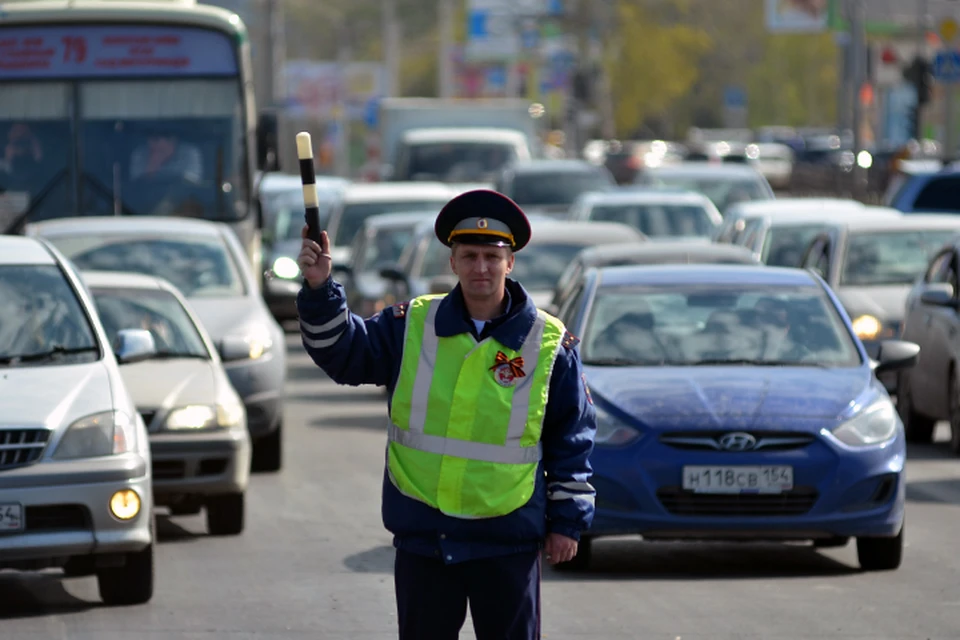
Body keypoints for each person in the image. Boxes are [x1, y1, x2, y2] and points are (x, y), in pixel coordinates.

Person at [296, 189, 597, 640]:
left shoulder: (550, 344)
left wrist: (568, 522)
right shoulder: (411, 323)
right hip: (426, 538)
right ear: (452, 262)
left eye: (491, 257)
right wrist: (321, 289)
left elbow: (570, 437)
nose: (481, 267)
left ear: (510, 263)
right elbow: (342, 355)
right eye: (469, 255)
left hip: (507, 539)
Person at [129, 133, 203, 183]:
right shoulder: (140, 154)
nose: (151, 144)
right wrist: (153, 165)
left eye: (156, 139)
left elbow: (192, 184)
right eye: (150, 138)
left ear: (172, 140)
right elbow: (138, 188)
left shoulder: (189, 153)